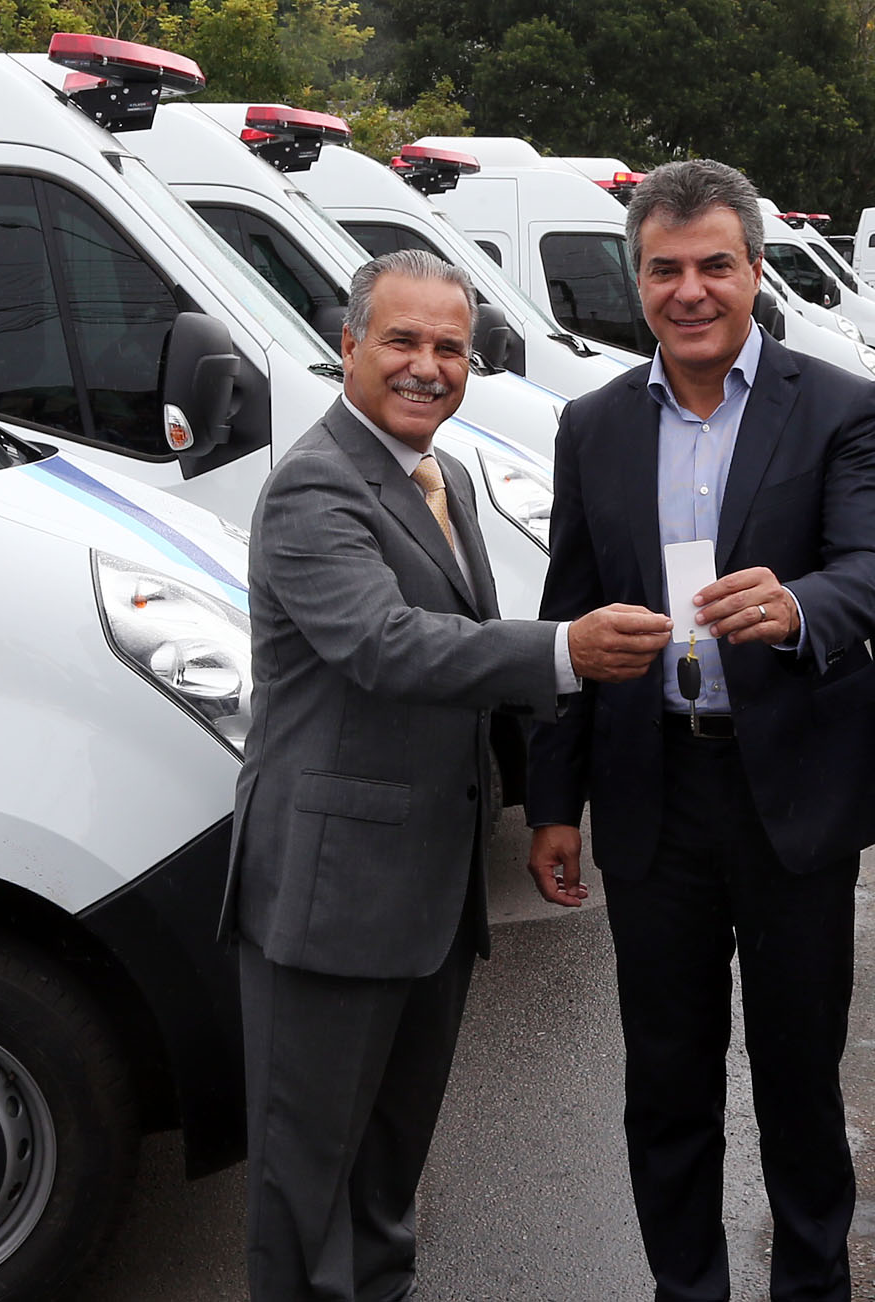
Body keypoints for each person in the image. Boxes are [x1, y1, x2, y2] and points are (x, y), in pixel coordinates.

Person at [219, 248, 665, 1302]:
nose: (427, 366)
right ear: (348, 347)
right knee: (305, 1183)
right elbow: (387, 646)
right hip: (332, 897)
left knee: (387, 1171)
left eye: (450, 347)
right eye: (403, 340)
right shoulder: (315, 485)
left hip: (427, 889)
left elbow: (461, 656)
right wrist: (565, 651)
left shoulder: (443, 475)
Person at [527, 158, 875, 1302]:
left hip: (790, 794)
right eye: (664, 269)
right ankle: (685, 1285)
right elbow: (568, 612)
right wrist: (553, 800)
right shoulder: (593, 423)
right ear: (637, 279)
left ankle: (812, 1285)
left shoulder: (842, 405)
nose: (689, 290)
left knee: (800, 1075)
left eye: (713, 265)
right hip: (655, 792)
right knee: (667, 1080)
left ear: (755, 269)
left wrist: (801, 605)